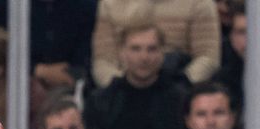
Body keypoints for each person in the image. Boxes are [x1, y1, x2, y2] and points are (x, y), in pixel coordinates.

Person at [84, 20, 189, 129]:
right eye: (135, 49)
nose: (144, 57)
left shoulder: (180, 100)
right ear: (122, 53)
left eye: (151, 49)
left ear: (162, 53)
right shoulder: (101, 99)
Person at [91, 0, 221, 88]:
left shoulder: (200, 3)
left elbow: (208, 58)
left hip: (177, 87)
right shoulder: (110, 3)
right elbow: (103, 61)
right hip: (122, 91)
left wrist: (180, 85)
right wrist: (124, 87)